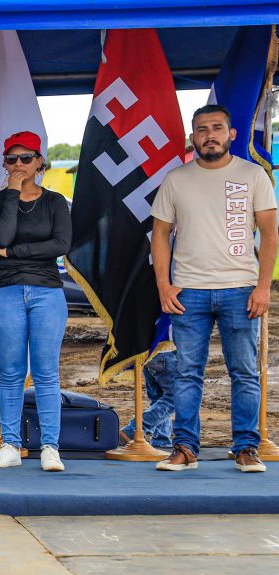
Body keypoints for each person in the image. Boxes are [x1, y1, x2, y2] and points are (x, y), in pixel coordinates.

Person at [151, 104, 278, 473]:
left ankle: (246, 448)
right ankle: (185, 449)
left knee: (244, 372)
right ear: (193, 137)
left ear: (231, 134)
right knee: (187, 372)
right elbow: (160, 234)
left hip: (241, 289)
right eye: (202, 129)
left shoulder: (253, 176)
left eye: (217, 128)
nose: (210, 135)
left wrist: (263, 287)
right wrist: (164, 285)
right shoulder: (176, 179)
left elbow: (270, 234)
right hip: (188, 292)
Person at [0, 131, 71, 472]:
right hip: (5, 291)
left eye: (26, 158)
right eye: (12, 159)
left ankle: (50, 447)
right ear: (4, 164)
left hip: (47, 291)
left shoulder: (55, 202)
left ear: (39, 162)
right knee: (11, 373)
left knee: (47, 372)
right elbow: (1, 235)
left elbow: (61, 245)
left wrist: (12, 252)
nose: (19, 164)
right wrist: (12, 193)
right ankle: (11, 444)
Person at [119, 350, 177, 449]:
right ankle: (131, 431)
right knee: (175, 399)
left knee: (159, 399)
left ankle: (161, 442)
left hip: (148, 354)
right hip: (166, 352)